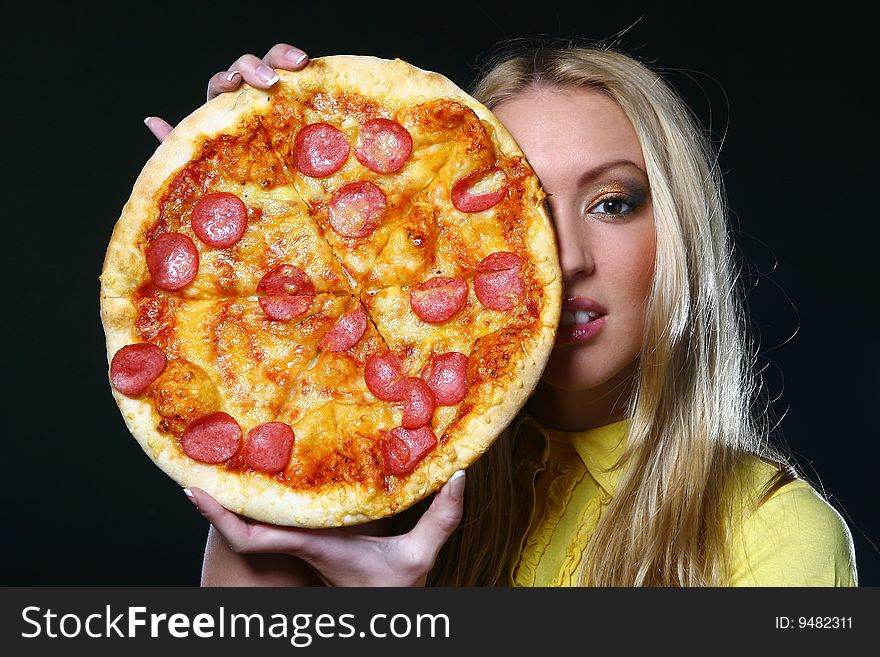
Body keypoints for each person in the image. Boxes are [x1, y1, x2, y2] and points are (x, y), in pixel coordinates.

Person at [145, 41, 858, 587]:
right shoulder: (370, 485)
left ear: (679, 235)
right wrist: (262, 210)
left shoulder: (779, 534)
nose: (566, 259)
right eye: (522, 210)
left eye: (613, 203)